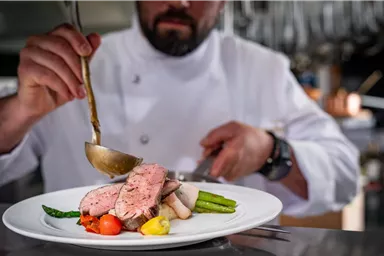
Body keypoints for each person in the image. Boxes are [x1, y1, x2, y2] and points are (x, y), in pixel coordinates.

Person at [0, 0, 359, 219]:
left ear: (224, 3)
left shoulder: (263, 68)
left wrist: (271, 152)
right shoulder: (75, 67)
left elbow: (344, 176)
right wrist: (21, 110)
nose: (180, 1)